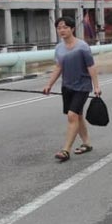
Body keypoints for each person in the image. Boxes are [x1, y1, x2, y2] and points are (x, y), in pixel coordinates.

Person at [43, 16, 101, 162]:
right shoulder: (59, 48)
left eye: (65, 27)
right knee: (78, 115)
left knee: (72, 115)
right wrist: (49, 84)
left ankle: (66, 150)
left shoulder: (82, 47)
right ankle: (87, 143)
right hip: (67, 86)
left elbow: (91, 67)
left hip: (82, 86)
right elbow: (58, 67)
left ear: (72, 29)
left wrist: (96, 86)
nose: (62, 30)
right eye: (59, 28)